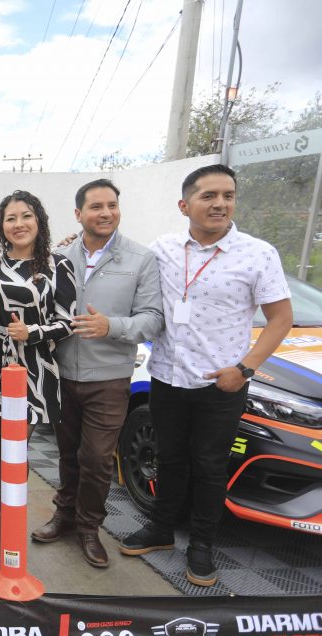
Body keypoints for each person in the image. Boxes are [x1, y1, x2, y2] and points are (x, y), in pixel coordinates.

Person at [119, 164, 292, 587]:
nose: (220, 204)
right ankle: (162, 529)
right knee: (169, 459)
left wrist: (245, 369)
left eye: (228, 195)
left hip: (220, 384)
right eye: (209, 196)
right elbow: (123, 267)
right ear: (185, 205)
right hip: (166, 377)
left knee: (210, 467)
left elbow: (281, 319)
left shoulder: (258, 253)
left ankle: (201, 546)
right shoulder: (162, 249)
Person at [31, 179, 163, 568]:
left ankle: (89, 527)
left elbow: (153, 319)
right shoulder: (57, 256)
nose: (106, 213)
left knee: (97, 458)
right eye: (96, 207)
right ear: (78, 214)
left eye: (112, 205)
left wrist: (111, 326)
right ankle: (65, 516)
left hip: (108, 378)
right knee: (67, 454)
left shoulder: (141, 259)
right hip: (61, 375)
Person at [0, 190, 77, 549]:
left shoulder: (57, 265)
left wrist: (31, 332)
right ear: (1, 226)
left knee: (17, 446)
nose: (18, 224)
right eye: (11, 218)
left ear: (39, 221)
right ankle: (2, 517)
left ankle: (14, 515)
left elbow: (67, 322)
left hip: (34, 367)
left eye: (26, 216)